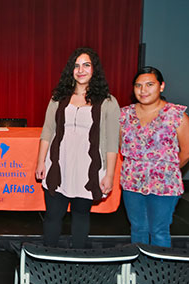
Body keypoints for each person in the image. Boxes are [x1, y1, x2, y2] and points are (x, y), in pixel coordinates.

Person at [35, 47, 120, 248]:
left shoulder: (108, 102)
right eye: (76, 66)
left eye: (86, 65)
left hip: (88, 171)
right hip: (58, 166)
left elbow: (111, 143)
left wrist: (108, 175)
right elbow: (47, 131)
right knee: (53, 216)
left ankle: (78, 263)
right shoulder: (58, 98)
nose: (81, 70)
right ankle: (49, 260)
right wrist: (40, 162)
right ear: (70, 70)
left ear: (94, 70)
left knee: (81, 216)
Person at [120, 66, 189, 247]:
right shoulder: (124, 114)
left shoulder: (177, 115)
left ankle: (159, 273)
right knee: (137, 228)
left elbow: (186, 151)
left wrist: (164, 170)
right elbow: (120, 145)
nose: (143, 90)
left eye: (149, 84)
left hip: (164, 184)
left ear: (161, 86)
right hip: (131, 182)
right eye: (138, 85)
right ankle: (139, 270)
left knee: (158, 230)